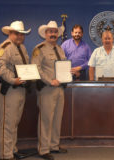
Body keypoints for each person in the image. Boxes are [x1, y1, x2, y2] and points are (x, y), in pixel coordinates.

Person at [0, 20, 31, 160]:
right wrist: (12, 80)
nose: (20, 36)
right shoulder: (4, 47)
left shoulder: (22, 48)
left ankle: (12, 150)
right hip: (8, 90)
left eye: (22, 34)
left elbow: (25, 67)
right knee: (7, 123)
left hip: (20, 89)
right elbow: (1, 68)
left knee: (14, 122)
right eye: (17, 33)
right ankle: (5, 154)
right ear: (10, 33)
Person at [32, 21, 67, 160]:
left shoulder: (60, 49)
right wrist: (49, 80)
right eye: (50, 31)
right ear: (45, 34)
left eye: (55, 32)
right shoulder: (39, 49)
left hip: (59, 89)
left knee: (57, 119)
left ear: (58, 34)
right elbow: (36, 68)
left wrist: (69, 73)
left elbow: (62, 67)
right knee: (46, 120)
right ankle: (43, 149)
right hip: (46, 89)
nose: (53, 34)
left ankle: (54, 145)